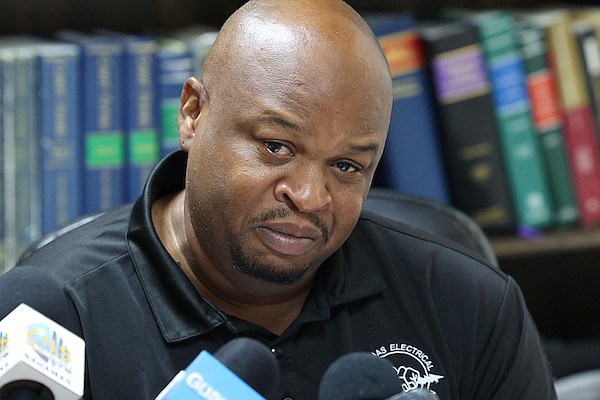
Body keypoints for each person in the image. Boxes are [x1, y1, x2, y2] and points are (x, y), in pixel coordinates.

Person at [2, 0, 557, 398]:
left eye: (346, 166)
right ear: (193, 115)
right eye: (276, 146)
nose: (311, 197)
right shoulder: (59, 318)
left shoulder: (472, 304)